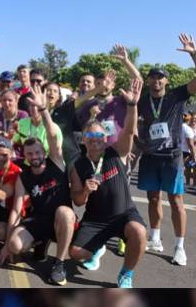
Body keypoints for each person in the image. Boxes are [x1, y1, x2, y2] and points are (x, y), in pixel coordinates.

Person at [136, 34, 196, 266]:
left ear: (166, 81)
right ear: (148, 81)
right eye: (153, 77)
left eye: (161, 77)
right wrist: (138, 146)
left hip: (172, 157)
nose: (157, 81)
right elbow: (135, 124)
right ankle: (155, 238)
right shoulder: (143, 100)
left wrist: (194, 53)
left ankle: (180, 247)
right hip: (150, 157)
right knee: (153, 198)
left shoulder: (176, 96)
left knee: (176, 200)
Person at [69, 78, 147, 289]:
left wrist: (132, 105)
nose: (95, 139)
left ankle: (126, 273)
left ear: (106, 138)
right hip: (96, 219)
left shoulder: (116, 152)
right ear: (83, 140)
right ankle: (98, 245)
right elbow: (77, 200)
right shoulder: (78, 165)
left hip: (124, 215)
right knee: (75, 254)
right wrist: (85, 190)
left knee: (139, 232)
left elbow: (129, 131)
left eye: (99, 135)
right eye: (90, 136)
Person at [0, 85, 75, 286]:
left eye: (38, 153)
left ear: (44, 151)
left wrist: (43, 110)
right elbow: (16, 210)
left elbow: (52, 135)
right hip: (40, 219)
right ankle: (41, 241)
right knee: (15, 245)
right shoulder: (24, 177)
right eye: (30, 154)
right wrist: (6, 245)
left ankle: (59, 264)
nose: (35, 156)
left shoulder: (56, 162)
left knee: (66, 213)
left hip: (61, 219)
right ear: (25, 155)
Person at [77, 45, 142, 146]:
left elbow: (138, 81)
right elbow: (84, 135)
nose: (103, 86)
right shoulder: (88, 105)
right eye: (99, 84)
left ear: (113, 85)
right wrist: (92, 117)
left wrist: (126, 61)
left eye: (108, 83)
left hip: (118, 152)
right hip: (96, 153)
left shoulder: (123, 100)